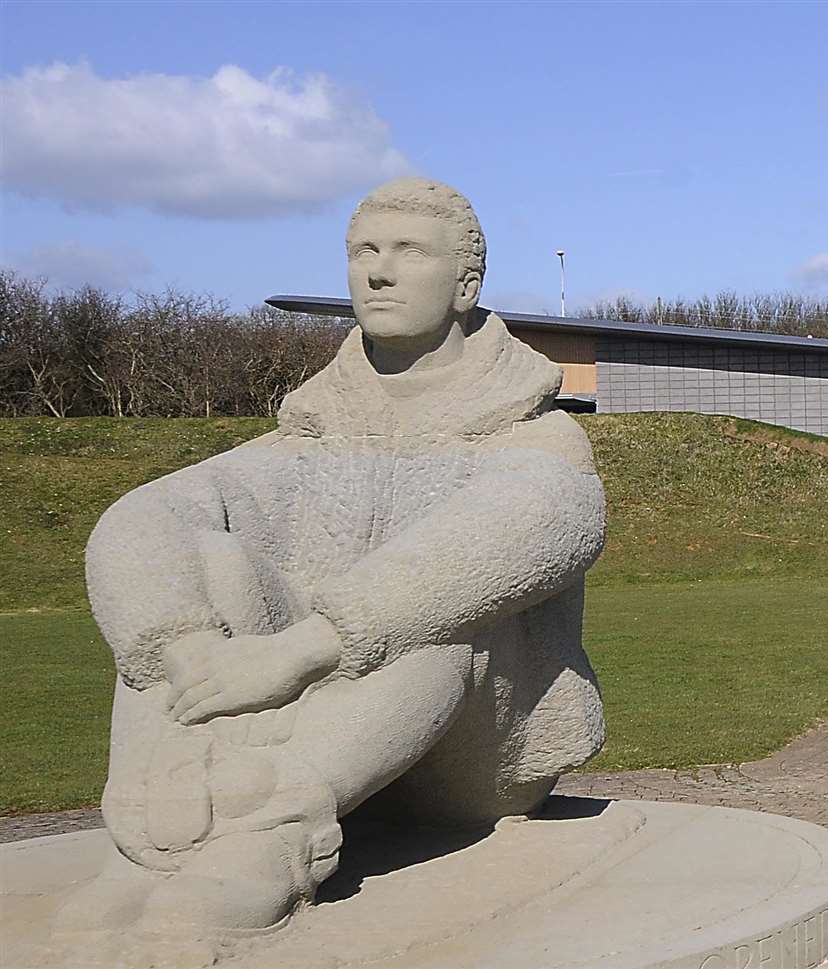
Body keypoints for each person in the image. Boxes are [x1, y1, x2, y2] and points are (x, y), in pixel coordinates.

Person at [61, 178, 607, 940]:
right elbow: (147, 517)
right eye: (364, 252)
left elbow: (541, 521)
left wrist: (303, 648)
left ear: (465, 284)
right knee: (209, 563)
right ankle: (165, 832)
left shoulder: (532, 433)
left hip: (468, 760)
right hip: (315, 716)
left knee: (439, 617)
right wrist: (181, 648)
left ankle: (270, 842)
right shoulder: (309, 431)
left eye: (408, 252)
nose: (378, 272)